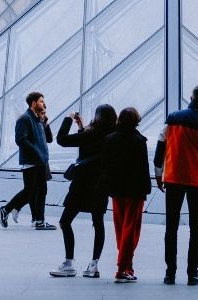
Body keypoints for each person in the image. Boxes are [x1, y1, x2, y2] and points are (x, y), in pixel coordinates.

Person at [154, 84, 198, 285]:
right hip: (197, 180)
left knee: (171, 227)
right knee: (196, 229)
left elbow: (160, 148)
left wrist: (158, 175)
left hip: (173, 178)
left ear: (191, 98)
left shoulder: (173, 118)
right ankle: (192, 274)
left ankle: (170, 273)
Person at [49, 104, 117, 279]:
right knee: (98, 223)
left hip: (81, 185)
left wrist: (69, 119)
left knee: (65, 221)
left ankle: (69, 263)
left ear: (97, 117)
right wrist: (81, 128)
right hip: (100, 186)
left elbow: (62, 139)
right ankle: (93, 265)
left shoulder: (90, 134)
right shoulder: (113, 136)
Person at [95, 106, 151, 283]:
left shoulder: (109, 139)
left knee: (120, 228)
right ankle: (122, 268)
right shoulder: (139, 141)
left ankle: (127, 266)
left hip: (116, 190)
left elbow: (105, 165)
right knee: (131, 230)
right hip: (134, 190)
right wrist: (146, 188)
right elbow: (143, 168)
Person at [0, 92, 57, 231]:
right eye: (41, 101)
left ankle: (38, 220)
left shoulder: (38, 120)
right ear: (33, 103)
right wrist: (37, 152)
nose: (44, 104)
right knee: (30, 191)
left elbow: (49, 139)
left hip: (41, 161)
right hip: (32, 161)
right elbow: (20, 140)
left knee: (40, 190)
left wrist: (45, 123)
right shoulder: (25, 119)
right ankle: (7, 210)